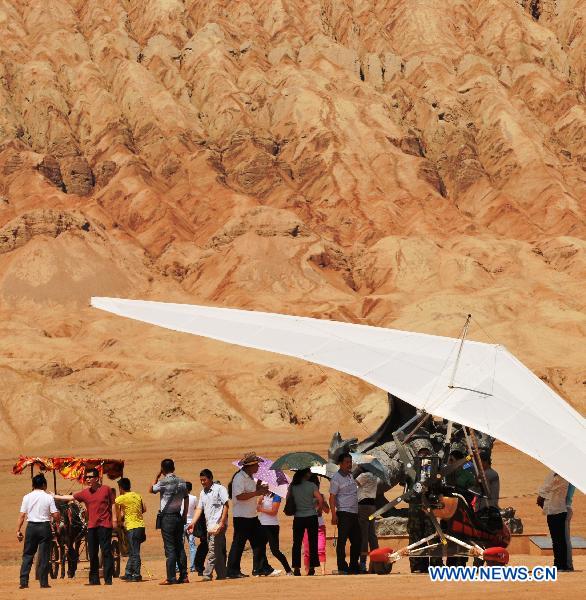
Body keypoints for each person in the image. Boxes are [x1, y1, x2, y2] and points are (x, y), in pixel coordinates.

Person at [55, 468, 117, 585]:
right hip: (92, 526)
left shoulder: (106, 489)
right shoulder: (85, 493)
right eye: (86, 477)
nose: (87, 479)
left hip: (104, 525)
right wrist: (55, 496)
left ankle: (108, 579)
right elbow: (71, 497)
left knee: (106, 552)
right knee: (93, 553)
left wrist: (114, 519)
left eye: (90, 477)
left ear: (97, 478)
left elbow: (113, 503)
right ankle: (94, 579)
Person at [226, 452, 280, 578]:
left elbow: (251, 491)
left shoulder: (249, 477)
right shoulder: (239, 478)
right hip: (242, 517)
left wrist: (260, 487)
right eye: (257, 465)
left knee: (260, 540)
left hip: (251, 516)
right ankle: (232, 571)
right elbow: (239, 496)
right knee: (239, 544)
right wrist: (257, 492)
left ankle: (260, 568)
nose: (258, 468)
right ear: (250, 466)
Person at [17, 474, 61, 589]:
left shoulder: (27, 497)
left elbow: (22, 515)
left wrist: (18, 530)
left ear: (33, 485)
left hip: (31, 527)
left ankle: (23, 581)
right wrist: (58, 521)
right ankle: (43, 582)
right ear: (44, 485)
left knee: (28, 554)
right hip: (44, 527)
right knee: (44, 555)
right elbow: (55, 514)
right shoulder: (48, 497)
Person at [149, 458, 189, 585]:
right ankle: (184, 576)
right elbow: (186, 498)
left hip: (167, 518)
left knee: (170, 548)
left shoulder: (163, 482)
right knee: (180, 547)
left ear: (163, 469)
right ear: (174, 468)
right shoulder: (182, 482)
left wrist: (156, 475)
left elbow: (151, 490)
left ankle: (171, 577)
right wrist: (184, 515)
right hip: (178, 516)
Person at [186, 469, 229, 581]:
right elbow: (199, 508)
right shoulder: (202, 492)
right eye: (201, 480)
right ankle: (222, 574)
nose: (202, 482)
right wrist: (193, 523)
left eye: (204, 480)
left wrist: (222, 522)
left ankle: (207, 574)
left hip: (218, 524)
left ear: (210, 478)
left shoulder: (220, 489)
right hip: (209, 525)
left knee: (213, 549)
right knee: (217, 550)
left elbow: (226, 505)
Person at [329, 452, 361, 574]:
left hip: (354, 513)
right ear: (340, 464)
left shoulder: (350, 475)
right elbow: (332, 497)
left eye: (350, 462)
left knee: (357, 541)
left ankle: (353, 565)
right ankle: (342, 566)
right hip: (343, 513)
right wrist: (333, 514)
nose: (349, 464)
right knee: (342, 541)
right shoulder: (336, 478)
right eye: (347, 462)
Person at [537, 471, 574, 571]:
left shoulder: (554, 476)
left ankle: (559, 564)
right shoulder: (566, 476)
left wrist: (541, 500)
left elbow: (543, 493)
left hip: (554, 511)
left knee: (557, 540)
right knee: (561, 540)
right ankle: (562, 564)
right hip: (560, 510)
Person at [290, 468, 323, 576]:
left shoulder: (293, 486)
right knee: (313, 542)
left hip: (298, 517)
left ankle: (296, 568)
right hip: (311, 517)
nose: (310, 474)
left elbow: (289, 499)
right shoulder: (312, 485)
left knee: (297, 543)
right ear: (305, 474)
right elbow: (320, 499)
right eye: (309, 472)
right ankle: (312, 567)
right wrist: (319, 509)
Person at [115, 477, 146, 582]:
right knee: (133, 551)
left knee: (134, 552)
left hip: (132, 527)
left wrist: (120, 520)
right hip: (141, 526)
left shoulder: (121, 498)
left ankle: (137, 575)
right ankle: (128, 573)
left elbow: (117, 512)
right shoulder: (138, 496)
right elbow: (144, 509)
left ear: (121, 488)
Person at [257, 485, 292, 575]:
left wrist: (261, 509)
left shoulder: (276, 496)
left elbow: (274, 512)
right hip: (261, 525)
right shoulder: (263, 495)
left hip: (272, 526)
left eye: (266, 486)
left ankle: (288, 570)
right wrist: (260, 501)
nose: (264, 488)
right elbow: (257, 508)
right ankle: (261, 569)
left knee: (275, 551)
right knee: (260, 548)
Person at [302, 474, 329, 575]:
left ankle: (322, 571)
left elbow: (327, 511)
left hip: (319, 525)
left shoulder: (321, 496)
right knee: (307, 550)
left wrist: (321, 503)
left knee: (320, 548)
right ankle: (308, 570)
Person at [355, 470, 379, 573]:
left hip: (363, 507)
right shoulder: (375, 476)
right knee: (372, 534)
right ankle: (376, 561)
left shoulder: (364, 475)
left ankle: (363, 563)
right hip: (372, 507)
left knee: (364, 536)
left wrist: (356, 471)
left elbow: (352, 483)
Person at [183, 482, 198, 573]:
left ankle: (178, 567)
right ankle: (193, 566)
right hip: (190, 524)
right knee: (192, 546)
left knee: (179, 546)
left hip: (181, 524)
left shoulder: (179, 498)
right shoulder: (194, 498)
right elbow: (197, 508)